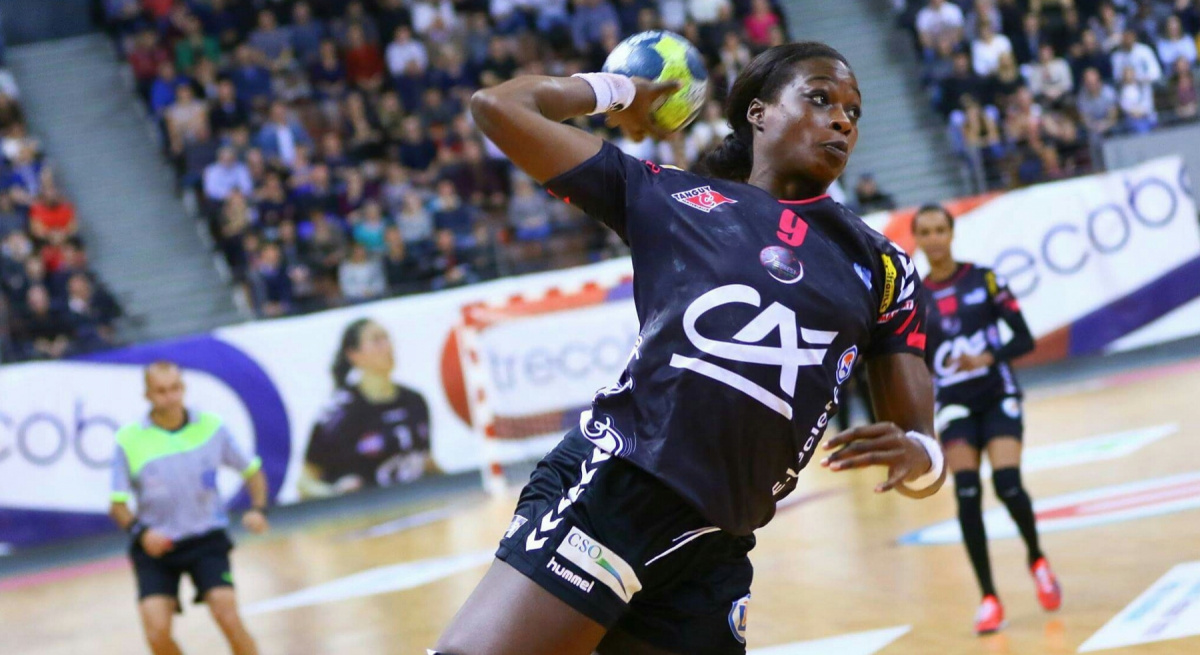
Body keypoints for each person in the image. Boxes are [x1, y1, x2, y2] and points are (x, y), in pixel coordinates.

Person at [434, 41, 945, 655]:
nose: (841, 119)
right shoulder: (671, 197)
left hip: (716, 545)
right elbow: (499, 107)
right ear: (758, 113)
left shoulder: (883, 266)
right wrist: (618, 91)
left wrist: (918, 454)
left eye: (853, 112)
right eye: (819, 99)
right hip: (618, 487)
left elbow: (925, 453)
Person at [911, 204, 1061, 635]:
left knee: (1008, 484)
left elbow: (1024, 338)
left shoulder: (985, 279)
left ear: (952, 233)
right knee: (967, 495)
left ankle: (1037, 559)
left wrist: (987, 357)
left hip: (997, 395)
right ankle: (989, 598)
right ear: (917, 239)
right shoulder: (915, 298)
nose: (934, 239)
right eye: (925, 232)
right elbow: (912, 362)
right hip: (954, 404)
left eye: (940, 230)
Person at [109, 361, 270, 655]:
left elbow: (252, 470)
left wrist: (258, 509)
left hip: (206, 539)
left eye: (175, 389)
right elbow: (117, 504)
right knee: (157, 633)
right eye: (161, 391)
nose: (170, 397)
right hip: (157, 547)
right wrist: (142, 533)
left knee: (227, 615)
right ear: (147, 395)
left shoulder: (211, 427)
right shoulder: (129, 440)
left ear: (183, 389)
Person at [299, 318, 434, 498]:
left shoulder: (415, 401)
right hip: (363, 510)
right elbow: (304, 483)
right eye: (377, 340)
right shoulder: (339, 413)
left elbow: (425, 462)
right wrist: (335, 493)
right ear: (353, 355)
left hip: (416, 502)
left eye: (387, 338)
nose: (387, 346)